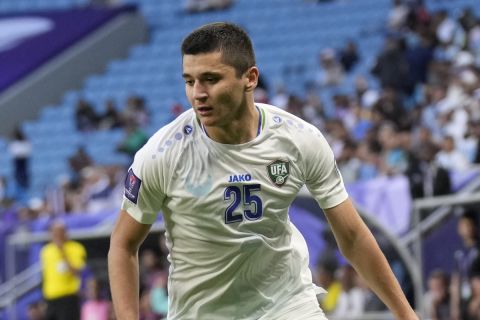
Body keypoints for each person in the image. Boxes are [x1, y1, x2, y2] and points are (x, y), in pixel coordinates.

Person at [108, 22, 418, 320]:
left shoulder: (299, 140)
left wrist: (406, 314)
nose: (197, 93)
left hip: (286, 305)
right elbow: (123, 245)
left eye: (211, 79)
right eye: (189, 81)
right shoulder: (162, 154)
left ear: (250, 78)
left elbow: (351, 236)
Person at [40, 221, 87, 320]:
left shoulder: (76, 248)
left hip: (68, 297)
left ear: (65, 232)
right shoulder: (46, 250)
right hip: (50, 298)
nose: (56, 235)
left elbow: (76, 272)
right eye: (53, 232)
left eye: (59, 232)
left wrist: (62, 251)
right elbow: (46, 276)